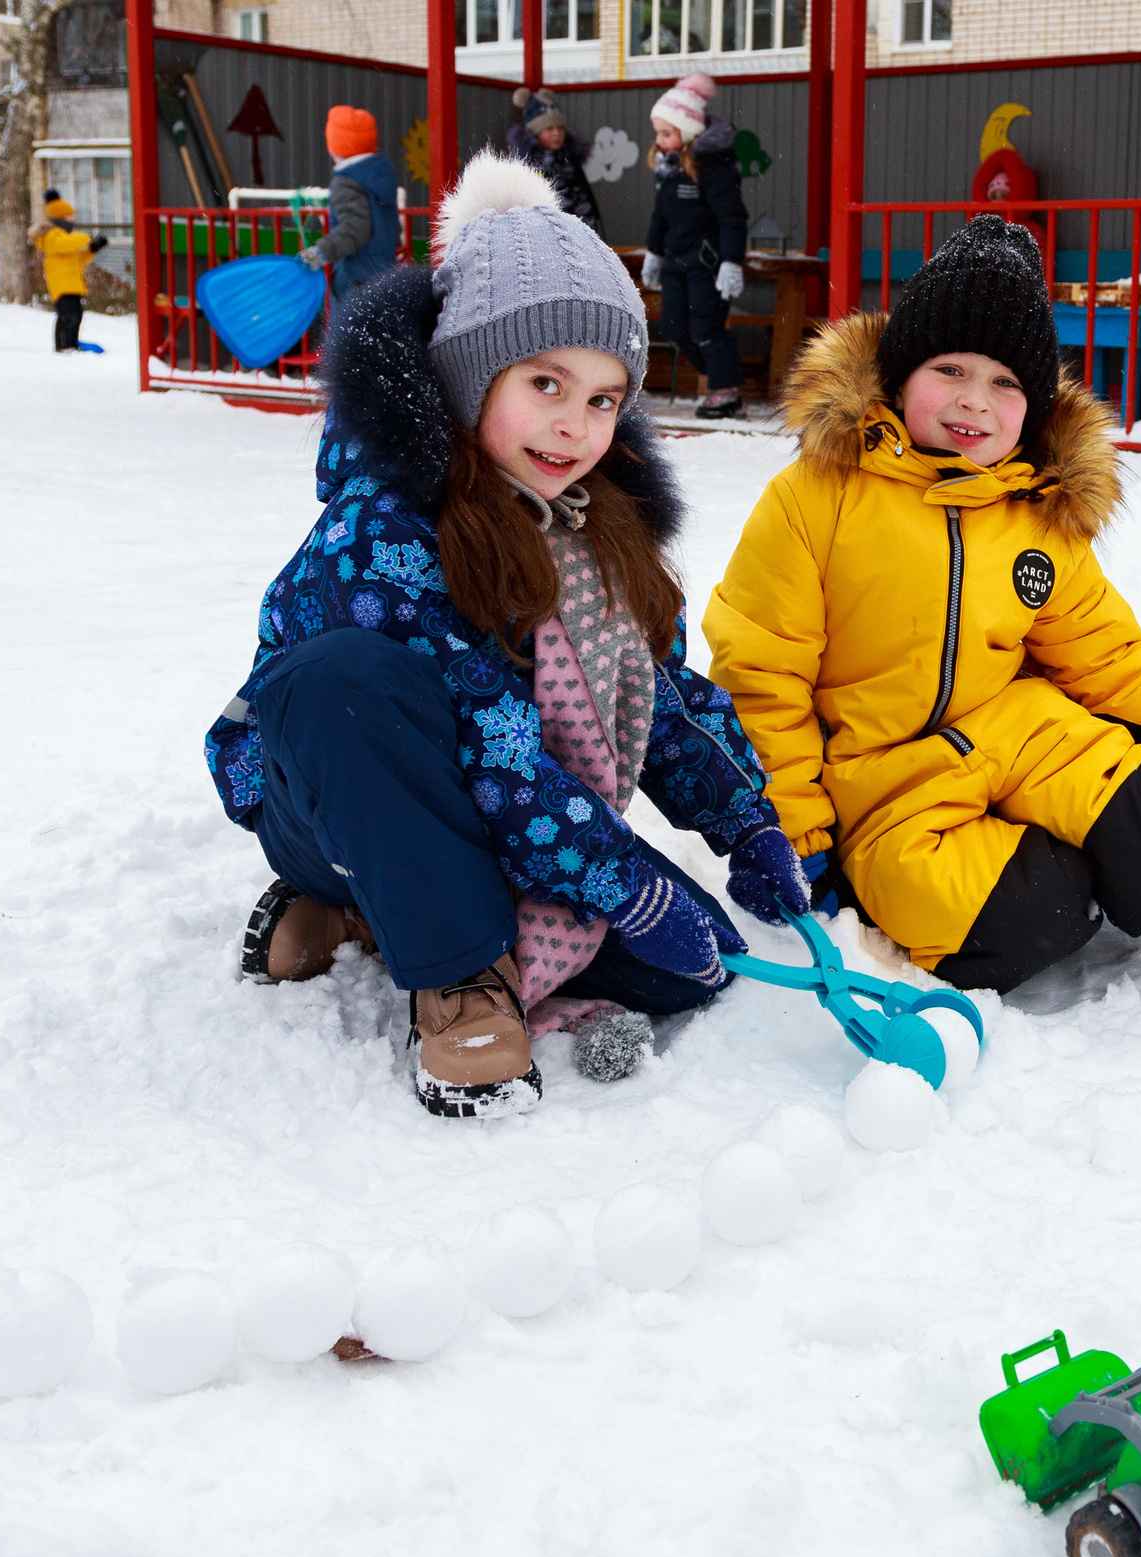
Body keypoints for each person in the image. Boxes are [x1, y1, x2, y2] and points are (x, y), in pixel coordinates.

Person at [206, 156, 805, 1118]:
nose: (575, 427)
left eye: (605, 399)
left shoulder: (589, 521)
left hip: (500, 806)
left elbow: (662, 693)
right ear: (469, 370)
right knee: (345, 680)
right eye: (547, 383)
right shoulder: (388, 524)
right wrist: (621, 882)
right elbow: (497, 753)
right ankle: (458, 978)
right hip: (334, 793)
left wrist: (746, 821)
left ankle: (371, 915)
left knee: (695, 970)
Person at [703, 216, 1141, 996]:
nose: (975, 403)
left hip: (1026, 734)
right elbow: (761, 678)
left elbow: (1111, 658)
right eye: (950, 368)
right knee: (1026, 919)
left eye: (1006, 382)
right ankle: (1089, 871)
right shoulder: (816, 496)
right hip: (882, 786)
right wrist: (794, 836)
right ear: (899, 369)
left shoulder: (1036, 512)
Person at [640, 74, 750, 421]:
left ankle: (727, 390)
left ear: (688, 132)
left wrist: (731, 262)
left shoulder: (712, 168)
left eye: (667, 133)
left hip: (707, 263)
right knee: (674, 328)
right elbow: (660, 217)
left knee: (706, 327)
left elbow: (732, 217)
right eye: (658, 132)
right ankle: (723, 377)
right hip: (675, 262)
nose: (659, 140)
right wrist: (654, 252)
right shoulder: (668, 171)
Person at [300, 105, 399, 305]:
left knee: (349, 333)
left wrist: (320, 253)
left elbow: (354, 229)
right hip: (384, 272)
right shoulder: (380, 176)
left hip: (356, 277)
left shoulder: (346, 182)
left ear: (334, 148)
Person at [507, 88, 603, 235]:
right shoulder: (523, 167)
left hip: (575, 236)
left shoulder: (570, 161)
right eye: (549, 128)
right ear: (535, 132)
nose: (556, 133)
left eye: (560, 128)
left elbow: (583, 204)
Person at [32, 189, 110, 354]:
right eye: (69, 217)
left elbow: (79, 258)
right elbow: (68, 244)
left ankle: (71, 343)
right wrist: (86, 238)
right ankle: (64, 345)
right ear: (59, 219)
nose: (72, 220)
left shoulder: (64, 238)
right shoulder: (52, 237)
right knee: (68, 316)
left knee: (75, 315)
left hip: (72, 283)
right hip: (62, 283)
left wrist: (92, 249)